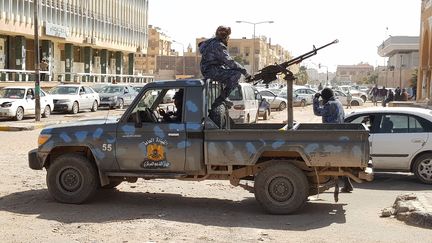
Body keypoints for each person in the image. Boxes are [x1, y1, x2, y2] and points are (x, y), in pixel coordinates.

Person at [199, 26, 251, 108]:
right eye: (228, 37)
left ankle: (222, 96)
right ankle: (221, 99)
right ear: (225, 37)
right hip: (211, 70)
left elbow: (201, 47)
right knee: (236, 74)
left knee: (227, 71)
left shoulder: (209, 42)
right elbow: (229, 62)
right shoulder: (218, 45)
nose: (228, 39)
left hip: (207, 69)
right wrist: (245, 72)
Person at [313, 88, 353, 193]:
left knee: (324, 159)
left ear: (325, 97)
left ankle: (326, 182)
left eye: (323, 98)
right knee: (339, 161)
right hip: (339, 135)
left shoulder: (330, 104)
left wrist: (315, 99)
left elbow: (317, 112)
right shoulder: (338, 102)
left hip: (331, 136)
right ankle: (347, 184)